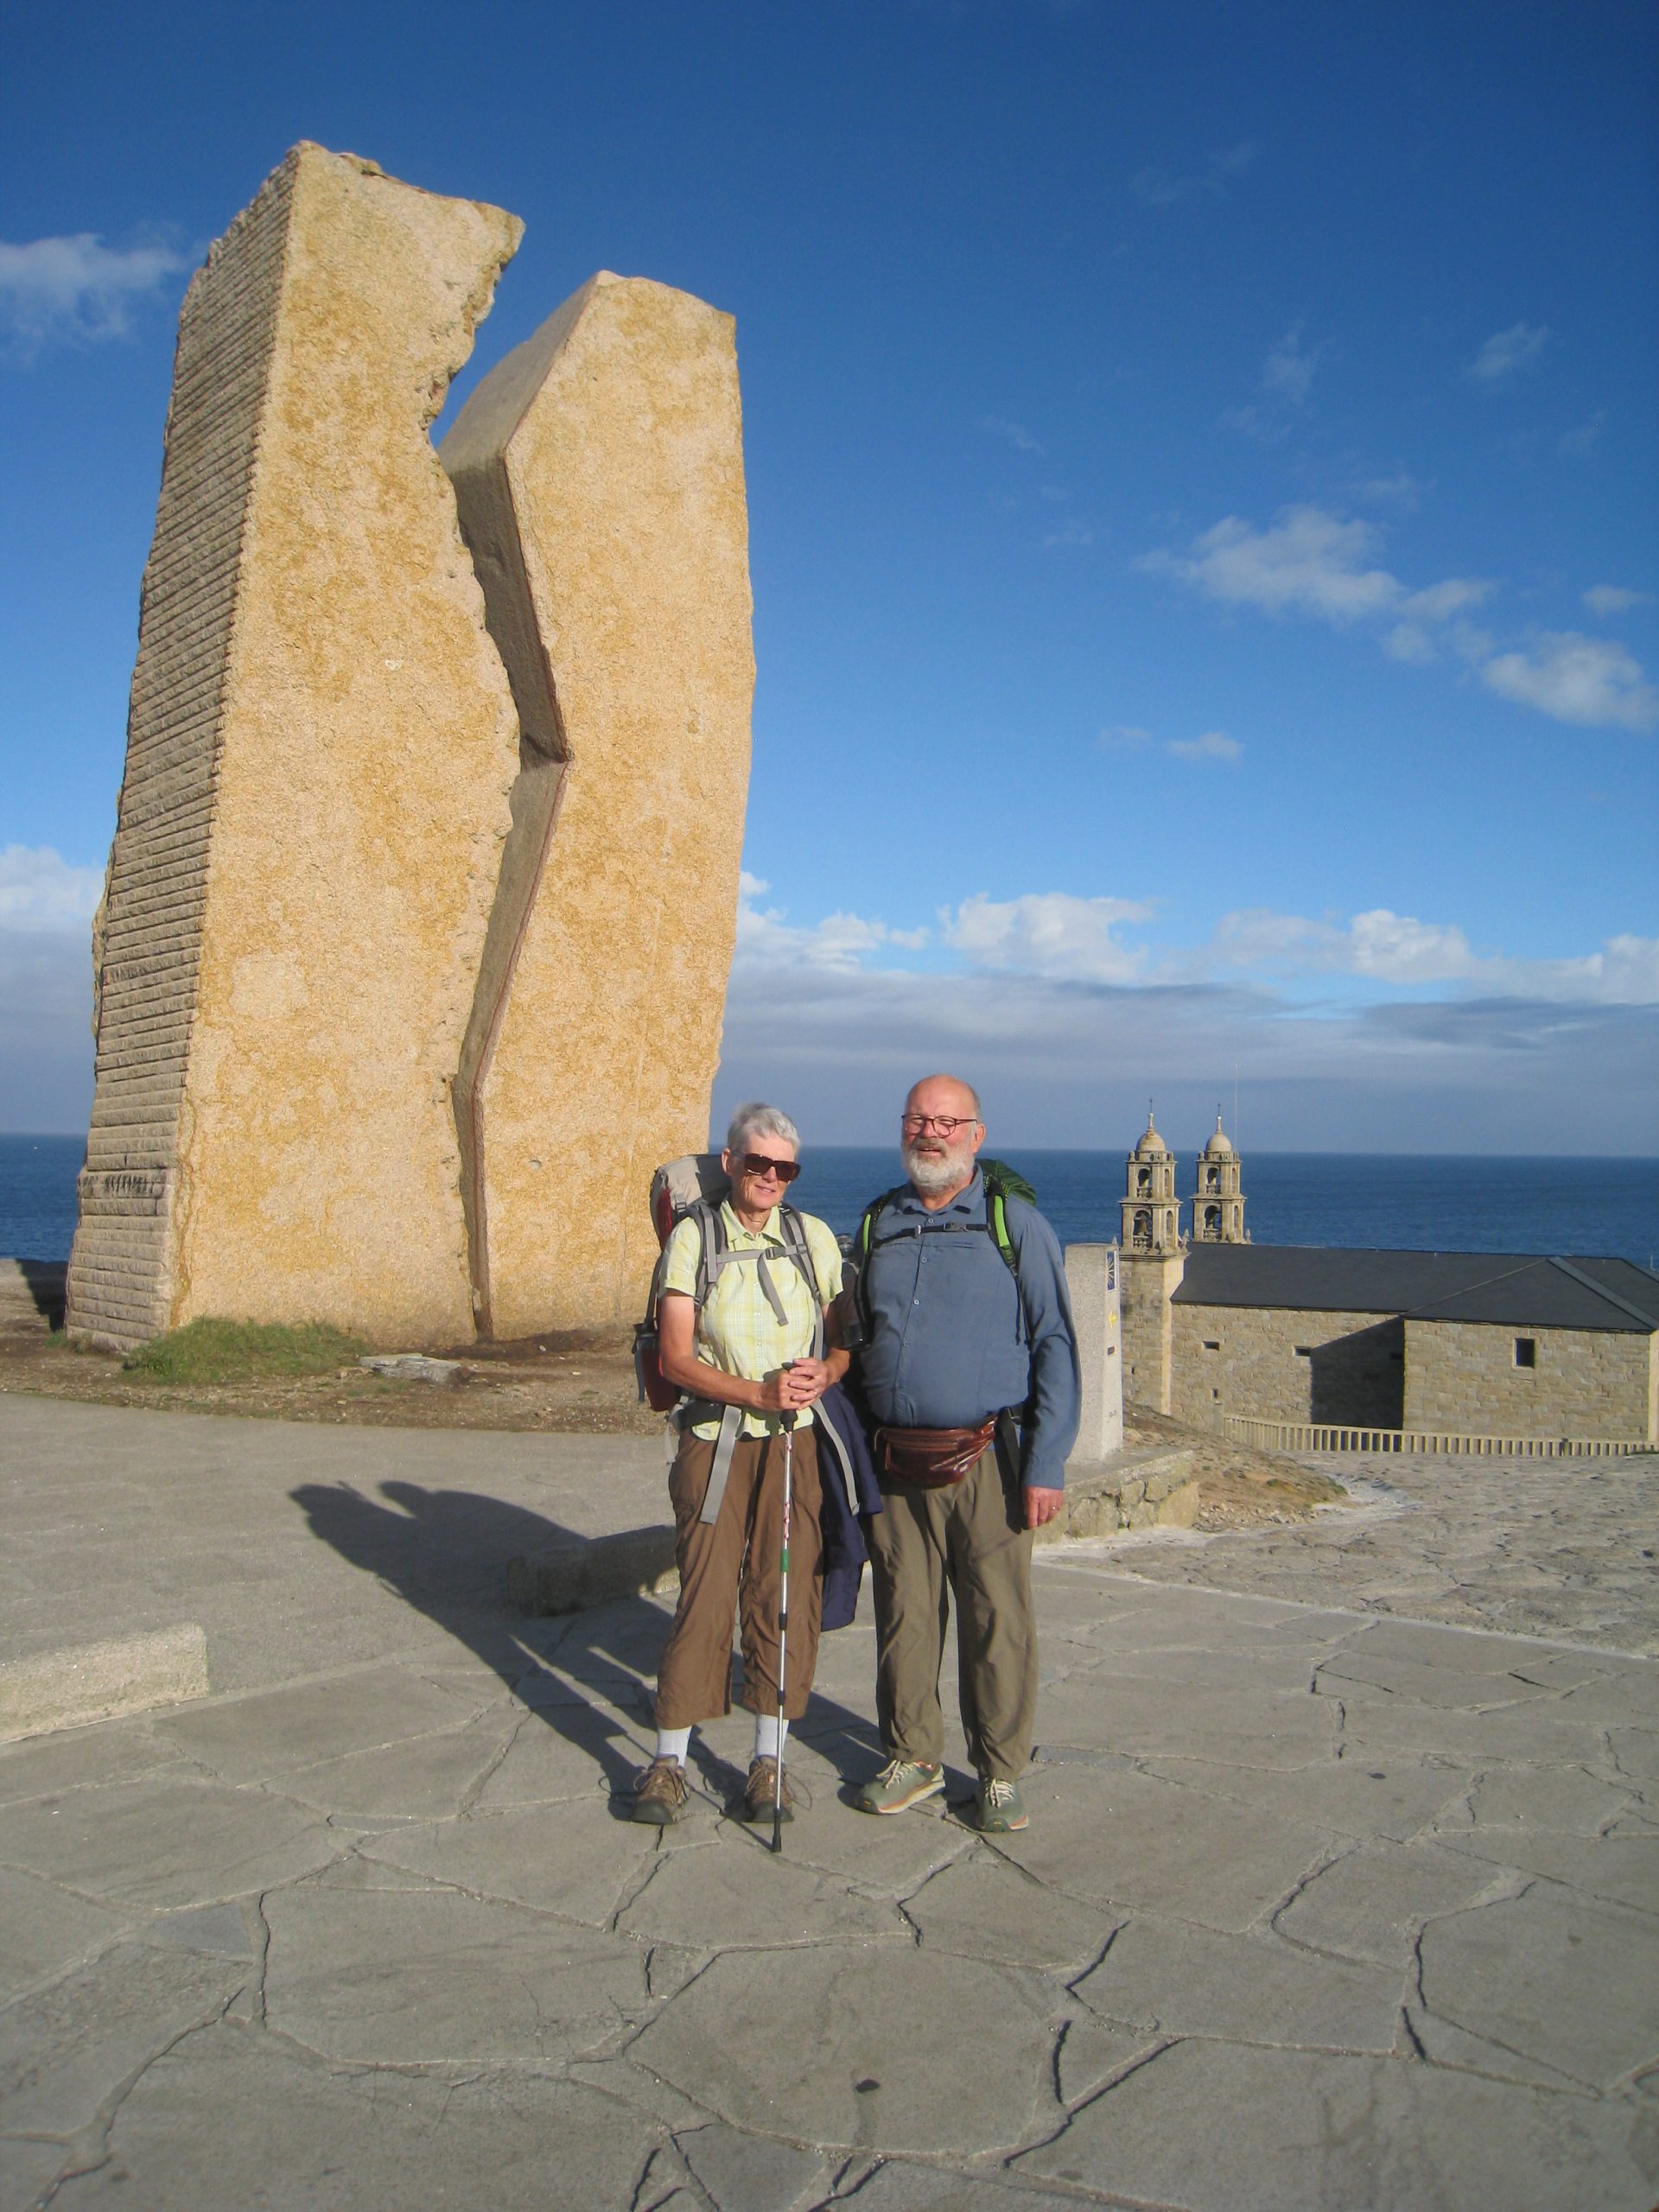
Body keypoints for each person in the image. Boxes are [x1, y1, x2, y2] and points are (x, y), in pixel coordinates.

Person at [850, 1073, 1079, 1833]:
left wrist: (1046, 1467)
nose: (932, 1133)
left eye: (948, 1122)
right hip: (895, 1461)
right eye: (919, 1119)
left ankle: (1000, 1773)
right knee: (904, 1615)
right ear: (902, 1128)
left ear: (976, 1136)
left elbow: (1055, 1345)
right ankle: (912, 1757)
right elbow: (851, 1338)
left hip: (990, 1461)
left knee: (996, 1622)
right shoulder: (879, 1223)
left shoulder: (1015, 1225)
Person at [631, 1103, 848, 1826]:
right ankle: (668, 1761)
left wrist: (826, 1374)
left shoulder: (809, 1237)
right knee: (706, 1593)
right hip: (716, 1440)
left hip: (795, 1440)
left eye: (785, 1168)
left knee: (784, 1597)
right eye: (758, 1163)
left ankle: (769, 1761)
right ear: (730, 1164)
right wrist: (756, 1390)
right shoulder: (695, 1238)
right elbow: (675, 1358)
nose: (771, 1178)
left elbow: (845, 1338)